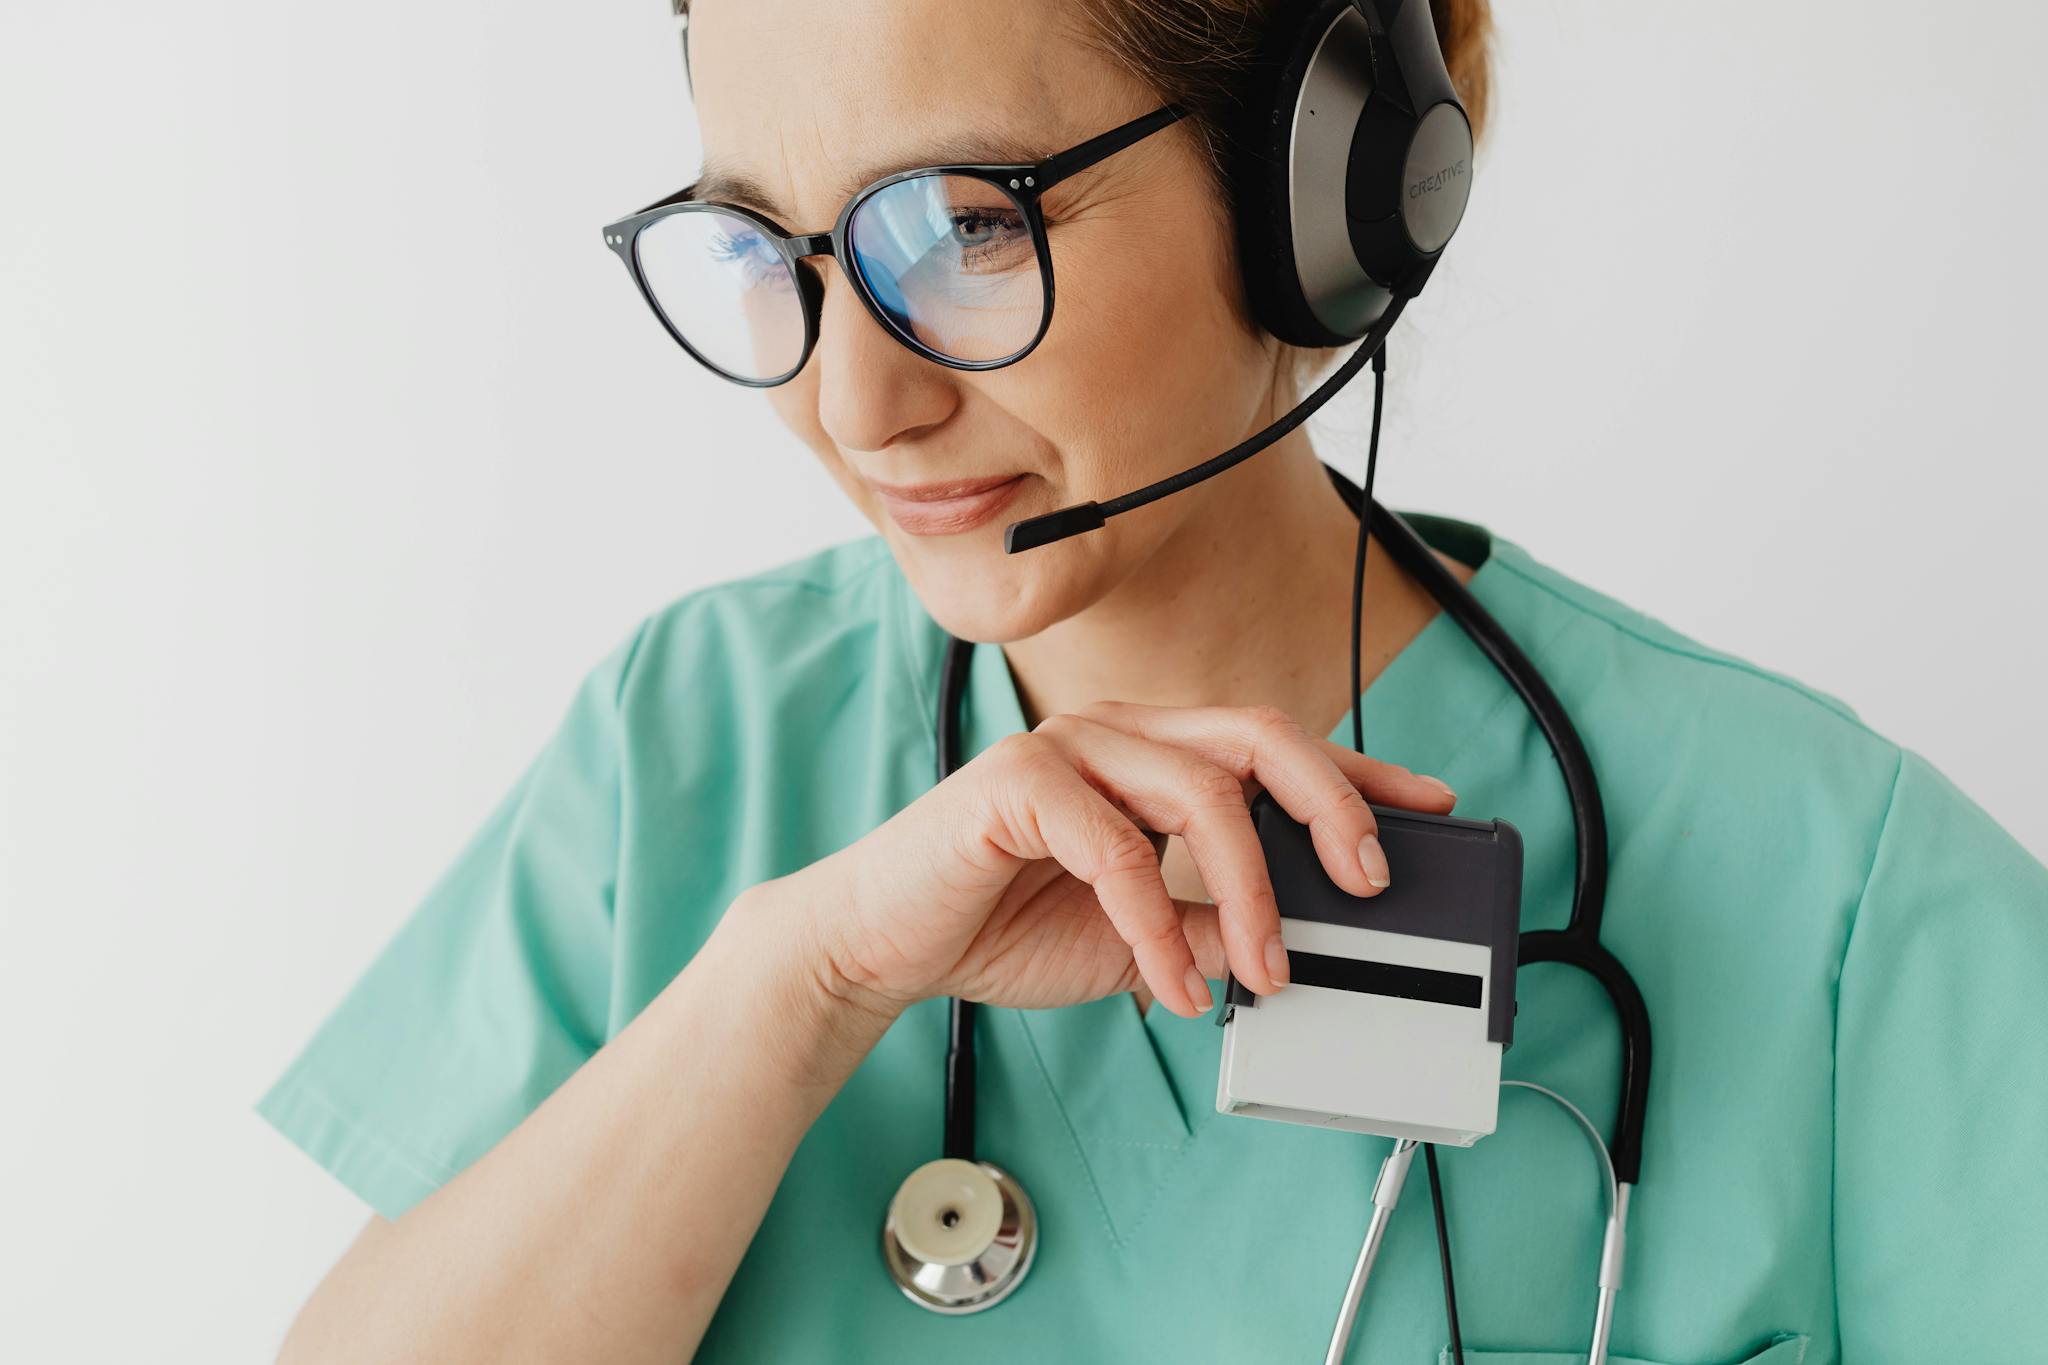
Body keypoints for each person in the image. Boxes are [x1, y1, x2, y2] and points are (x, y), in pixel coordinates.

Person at [258, 1, 2048, 1361]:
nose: (853, 403)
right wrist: (801, 985)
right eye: (769, 251)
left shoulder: (1850, 901)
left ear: (1328, 190)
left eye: (962, 229)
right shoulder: (695, 742)